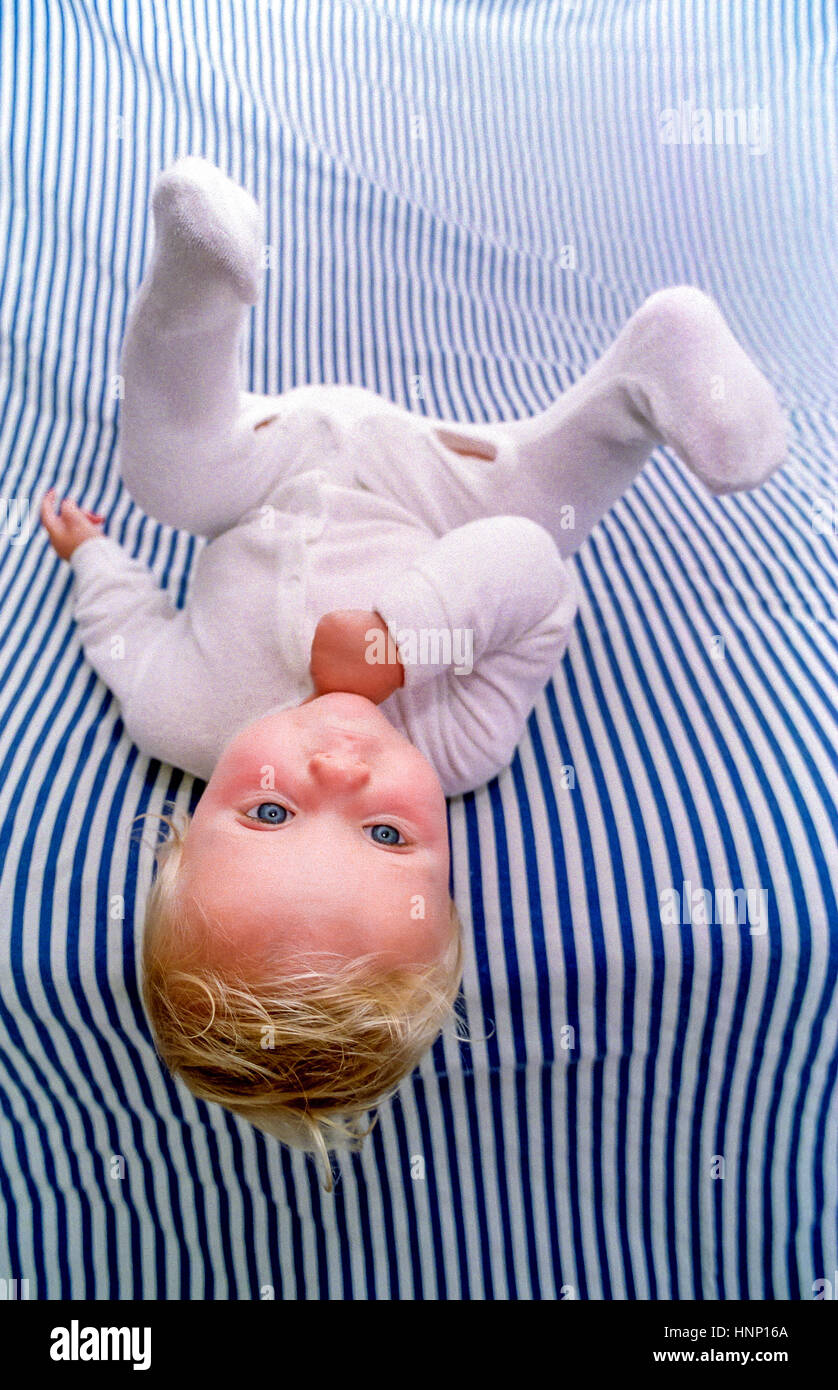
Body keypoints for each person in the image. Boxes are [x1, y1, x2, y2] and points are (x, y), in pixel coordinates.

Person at [40, 158, 787, 1187]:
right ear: (445, 878)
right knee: (542, 510)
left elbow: (124, 632)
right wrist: (403, 639)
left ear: (190, 812)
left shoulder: (179, 712)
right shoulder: (461, 742)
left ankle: (200, 277)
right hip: (428, 477)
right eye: (386, 833)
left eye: (265, 815)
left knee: (164, 474)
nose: (338, 777)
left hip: (265, 460)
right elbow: (535, 585)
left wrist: (92, 557)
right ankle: (649, 371)